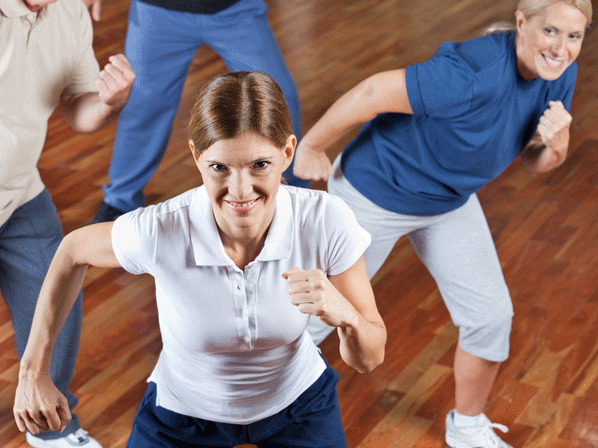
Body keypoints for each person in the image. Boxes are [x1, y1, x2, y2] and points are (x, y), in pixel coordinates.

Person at [14, 71, 387, 447]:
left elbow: (368, 358)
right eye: (219, 167)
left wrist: (347, 317)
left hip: (297, 406)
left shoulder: (324, 220)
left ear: (287, 152)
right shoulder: (163, 230)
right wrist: (33, 372)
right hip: (183, 416)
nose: (240, 190)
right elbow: (73, 249)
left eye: (259, 165)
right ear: (197, 156)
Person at [293, 1, 592, 447]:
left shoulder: (557, 70)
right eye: (551, 31)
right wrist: (312, 145)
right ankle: (249, 406)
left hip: (448, 201)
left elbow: (534, 159)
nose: (561, 48)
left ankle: (467, 428)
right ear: (521, 23)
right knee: (311, 320)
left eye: (574, 36)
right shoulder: (470, 73)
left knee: (490, 317)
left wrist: (558, 145)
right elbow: (372, 92)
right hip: (373, 194)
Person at [0, 0, 135, 446]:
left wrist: (107, 103)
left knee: (56, 298)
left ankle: (49, 425)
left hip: (20, 192)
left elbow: (77, 107)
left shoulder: (68, 11)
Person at [87, 0, 309, 225]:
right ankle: (120, 199)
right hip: (156, 12)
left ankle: (290, 192)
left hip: (235, 10)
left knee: (279, 98)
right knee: (141, 105)